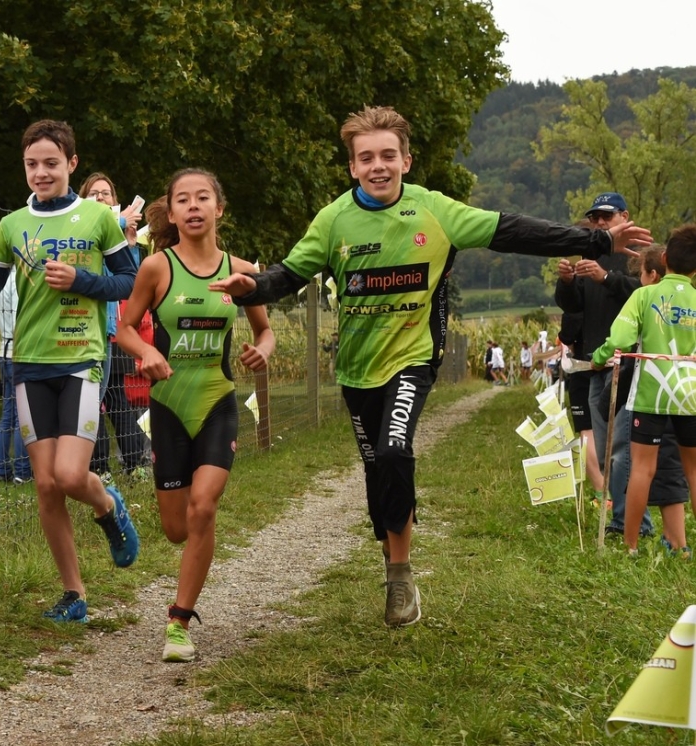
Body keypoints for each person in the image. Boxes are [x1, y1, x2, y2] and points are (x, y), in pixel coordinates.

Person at [208, 105, 652, 628]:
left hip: (412, 360)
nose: (378, 166)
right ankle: (393, 555)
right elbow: (288, 274)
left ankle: (400, 576)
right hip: (355, 369)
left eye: (388, 156)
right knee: (378, 474)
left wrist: (597, 240)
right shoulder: (333, 220)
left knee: (397, 450)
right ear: (352, 167)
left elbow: (512, 231)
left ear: (406, 161)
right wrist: (252, 289)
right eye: (366, 157)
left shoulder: (434, 210)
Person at [0, 120, 140, 623]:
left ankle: (108, 506)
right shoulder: (13, 225)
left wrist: (82, 279)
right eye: (32, 164)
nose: (41, 173)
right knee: (45, 485)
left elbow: (128, 281)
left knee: (70, 474)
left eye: (51, 164)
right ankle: (74, 594)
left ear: (71, 165)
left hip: (82, 358)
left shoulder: (98, 218)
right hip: (29, 364)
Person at [116, 168, 275, 663]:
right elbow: (122, 329)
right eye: (182, 199)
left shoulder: (242, 270)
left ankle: (179, 621)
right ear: (173, 211)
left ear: (218, 208)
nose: (193, 206)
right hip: (167, 405)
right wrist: (146, 351)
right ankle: (187, 555)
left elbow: (265, 331)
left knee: (204, 507)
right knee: (177, 528)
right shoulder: (156, 268)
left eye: (202, 197)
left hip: (216, 399)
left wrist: (263, 351)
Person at [591, 226, 696, 556]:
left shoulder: (644, 295)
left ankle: (631, 546)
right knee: (693, 470)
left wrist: (599, 358)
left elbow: (620, 340)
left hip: (653, 393)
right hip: (690, 395)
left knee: (642, 469)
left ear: (664, 259)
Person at [555, 192, 654, 539]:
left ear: (624, 216)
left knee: (624, 449)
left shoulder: (637, 253)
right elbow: (573, 307)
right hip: (596, 363)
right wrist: (566, 282)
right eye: (594, 218)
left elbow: (649, 296)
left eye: (605, 217)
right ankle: (621, 520)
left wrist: (605, 278)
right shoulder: (591, 252)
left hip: (631, 363)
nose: (598, 223)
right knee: (607, 448)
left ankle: (636, 525)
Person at [77, 172, 151, 478]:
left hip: (111, 329)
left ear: (115, 199)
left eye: (105, 193)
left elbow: (131, 283)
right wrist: (117, 223)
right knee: (91, 399)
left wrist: (131, 245)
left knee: (108, 397)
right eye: (93, 194)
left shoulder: (116, 238)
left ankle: (118, 464)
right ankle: (96, 466)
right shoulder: (82, 229)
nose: (100, 198)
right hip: (81, 327)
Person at [557, 312, 605, 506]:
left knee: (587, 431)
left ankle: (602, 492)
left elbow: (567, 335)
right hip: (616, 363)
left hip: (584, 364)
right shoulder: (623, 284)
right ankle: (619, 490)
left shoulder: (580, 292)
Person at [0, 269, 32, 485]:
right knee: (22, 416)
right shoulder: (21, 278)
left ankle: (1, 468)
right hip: (19, 351)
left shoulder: (1, 278)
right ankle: (23, 470)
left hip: (4, 350)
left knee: (8, 413)